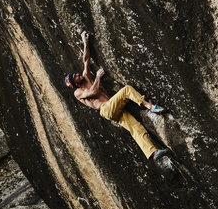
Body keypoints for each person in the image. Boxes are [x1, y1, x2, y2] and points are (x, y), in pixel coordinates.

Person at [64, 30, 177, 173]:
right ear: (75, 83)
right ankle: (150, 106)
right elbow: (93, 92)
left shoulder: (85, 76)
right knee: (127, 90)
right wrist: (97, 77)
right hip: (106, 109)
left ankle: (154, 153)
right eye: (75, 76)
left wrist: (85, 41)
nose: (77, 74)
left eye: (75, 74)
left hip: (113, 108)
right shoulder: (78, 93)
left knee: (135, 128)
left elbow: (85, 59)